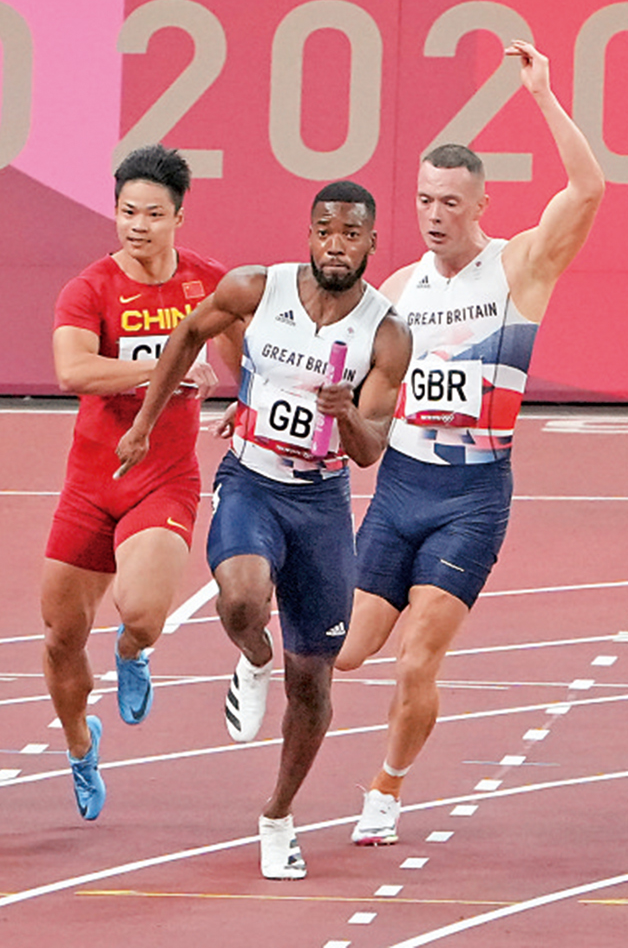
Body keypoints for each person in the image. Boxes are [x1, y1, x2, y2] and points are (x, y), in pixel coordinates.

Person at [335, 39, 604, 846]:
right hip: (401, 490)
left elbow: (588, 189)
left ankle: (386, 788)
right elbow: (362, 400)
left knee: (418, 656)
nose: (434, 214)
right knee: (345, 654)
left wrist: (544, 97)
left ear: (479, 206)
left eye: (451, 201)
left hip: (473, 497)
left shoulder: (519, 268)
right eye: (424, 200)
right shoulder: (396, 293)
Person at [117, 181, 412, 879]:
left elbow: (370, 447)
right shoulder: (257, 286)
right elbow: (189, 331)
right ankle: (253, 656)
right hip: (250, 479)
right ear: (308, 233)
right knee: (243, 598)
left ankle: (277, 815)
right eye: (325, 230)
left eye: (351, 234)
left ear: (372, 242)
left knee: (312, 682)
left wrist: (344, 413)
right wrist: (144, 423)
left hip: (321, 502)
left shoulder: (386, 333)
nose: (335, 244)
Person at [42, 144, 227, 821]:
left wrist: (241, 395)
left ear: (179, 216)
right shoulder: (89, 288)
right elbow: (74, 371)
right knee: (61, 635)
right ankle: (79, 744)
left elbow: (251, 355)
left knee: (141, 610)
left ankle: (133, 652)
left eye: (153, 213)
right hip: (92, 480)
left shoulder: (208, 283)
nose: (138, 225)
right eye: (126, 212)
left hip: (164, 478)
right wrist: (165, 370)